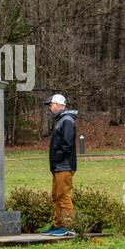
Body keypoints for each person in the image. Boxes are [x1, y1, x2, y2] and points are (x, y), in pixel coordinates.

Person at [41, 94, 77, 237]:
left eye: (51, 105)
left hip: (64, 165)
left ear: (58, 104)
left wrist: (57, 158)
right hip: (59, 166)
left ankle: (69, 226)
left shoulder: (67, 121)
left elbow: (67, 145)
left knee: (63, 195)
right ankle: (58, 225)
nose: (50, 108)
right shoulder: (62, 120)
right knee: (56, 195)